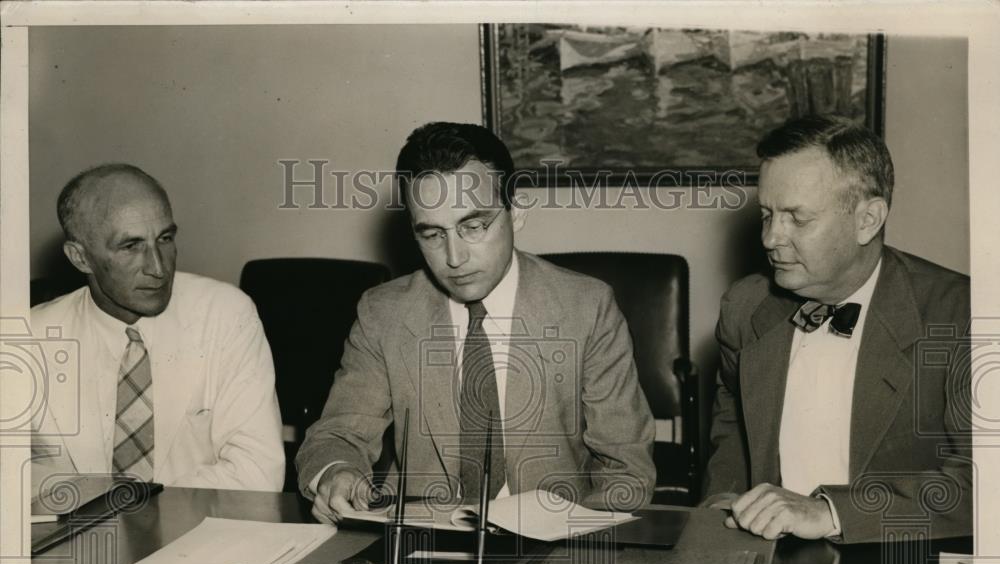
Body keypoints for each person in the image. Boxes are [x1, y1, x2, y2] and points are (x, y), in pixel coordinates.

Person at [297, 122, 655, 523]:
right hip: (419, 542)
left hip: (556, 542)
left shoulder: (588, 307)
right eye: (432, 234)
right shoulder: (384, 313)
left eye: (473, 226)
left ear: (516, 213)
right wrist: (337, 472)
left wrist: (578, 546)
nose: (454, 257)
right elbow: (336, 436)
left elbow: (625, 470)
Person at [702, 114, 971, 543]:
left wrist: (830, 512)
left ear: (868, 219)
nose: (771, 238)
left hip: (902, 561)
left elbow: (984, 484)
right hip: (769, 560)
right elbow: (732, 426)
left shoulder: (960, 314)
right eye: (767, 215)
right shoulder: (745, 307)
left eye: (797, 218)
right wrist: (723, 502)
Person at [31, 163, 284, 497]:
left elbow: (258, 474)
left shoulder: (226, 314)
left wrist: (138, 512)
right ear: (81, 258)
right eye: (131, 246)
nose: (158, 267)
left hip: (200, 538)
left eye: (165, 238)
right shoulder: (29, 336)